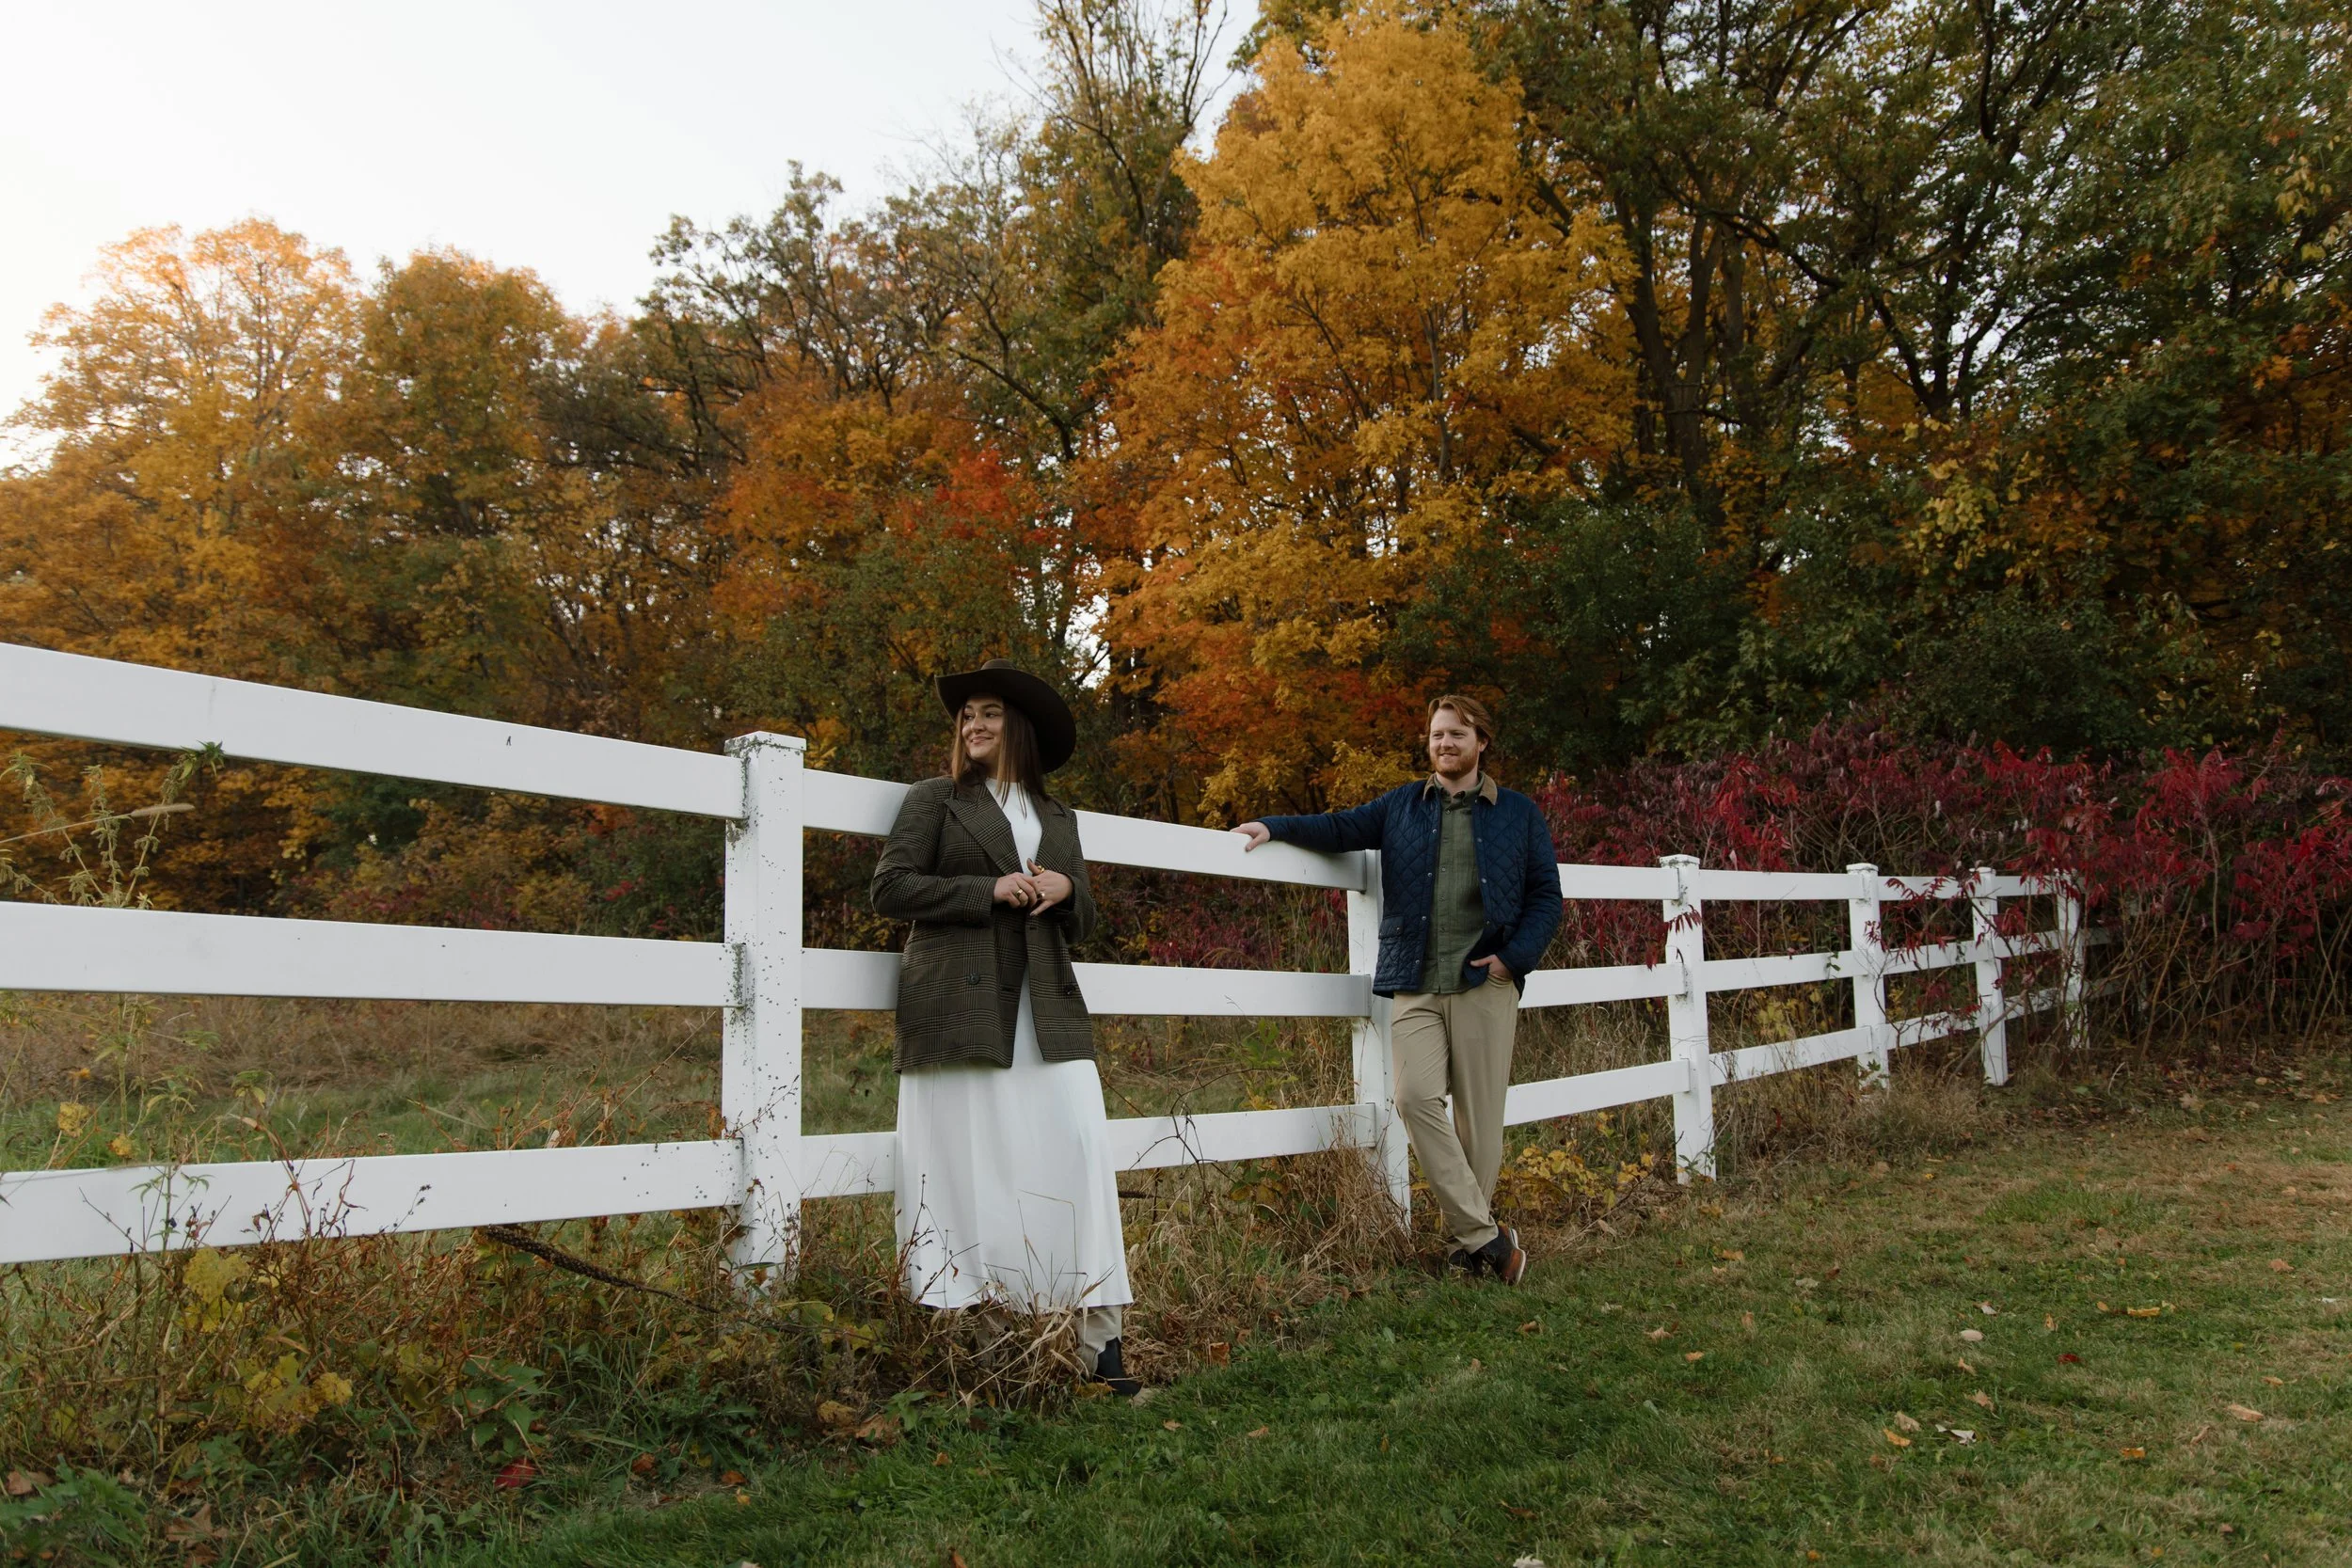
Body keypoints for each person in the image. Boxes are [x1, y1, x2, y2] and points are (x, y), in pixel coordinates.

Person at [869, 658, 1138, 1394]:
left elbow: (1084, 918)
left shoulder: (1058, 817)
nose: (974, 725)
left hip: (1046, 1010)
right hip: (962, 1008)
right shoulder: (936, 799)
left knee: (1079, 1151)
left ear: (1016, 726)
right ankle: (985, 1342)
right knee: (971, 1170)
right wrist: (989, 887)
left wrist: (1064, 886)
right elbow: (890, 888)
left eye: (988, 713)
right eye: (966, 716)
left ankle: (1099, 1341)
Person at [1235, 695, 1562, 1284]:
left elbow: (1546, 896)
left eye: (1457, 735)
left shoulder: (1518, 813)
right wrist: (1275, 825)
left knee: (1479, 1124)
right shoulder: (1402, 807)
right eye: (1437, 735)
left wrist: (1513, 961)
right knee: (1414, 1097)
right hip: (1415, 978)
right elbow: (1339, 827)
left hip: (1484, 979)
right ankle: (1488, 1239)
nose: (1445, 744)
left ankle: (1471, 1253)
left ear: (1481, 741)